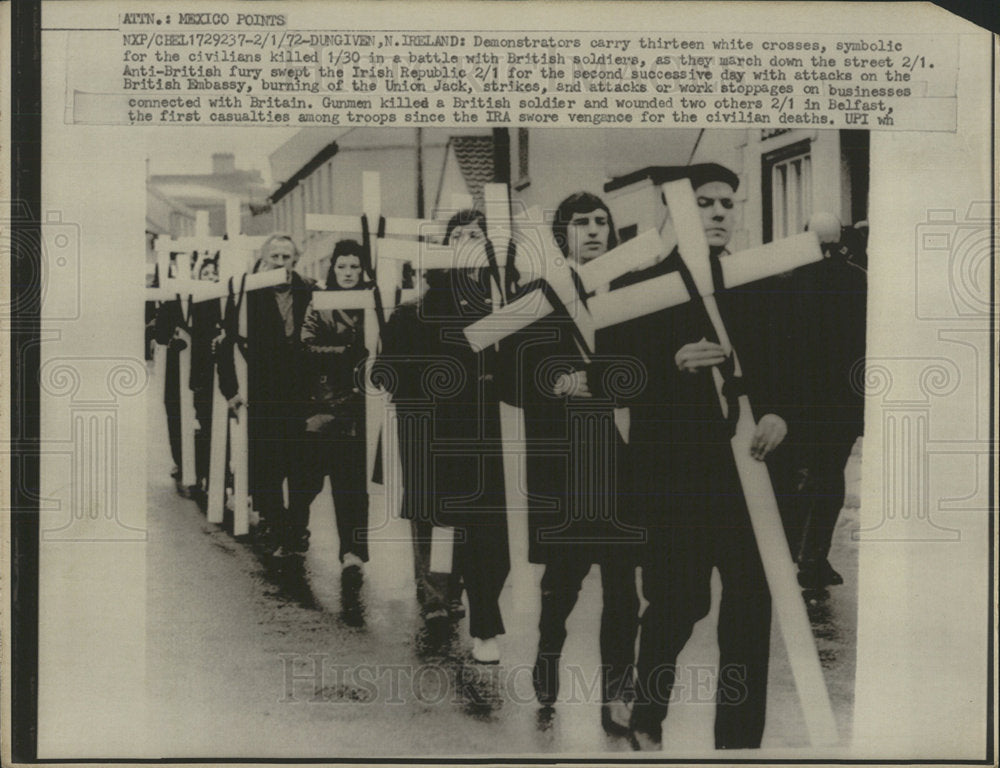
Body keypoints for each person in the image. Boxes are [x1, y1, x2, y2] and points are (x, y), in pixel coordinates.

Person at [610, 163, 787, 750]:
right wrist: (670, 365)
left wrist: (779, 416)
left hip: (748, 478)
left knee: (750, 610)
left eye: (726, 203)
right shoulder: (640, 288)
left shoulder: (754, 279)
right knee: (678, 602)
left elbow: (789, 370)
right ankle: (646, 712)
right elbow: (612, 377)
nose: (718, 212)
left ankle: (738, 745)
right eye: (705, 203)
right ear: (674, 212)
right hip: (675, 478)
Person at [510, 192, 642, 734]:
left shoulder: (638, 287)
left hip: (623, 455)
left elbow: (649, 359)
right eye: (580, 222)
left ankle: (617, 689)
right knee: (562, 581)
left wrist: (615, 381)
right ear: (561, 233)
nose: (593, 230)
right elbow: (512, 373)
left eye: (601, 221)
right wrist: (553, 381)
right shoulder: (539, 296)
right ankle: (548, 656)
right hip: (567, 460)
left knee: (622, 585)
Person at [383, 210, 508, 663]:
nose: (469, 241)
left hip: (486, 429)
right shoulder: (415, 309)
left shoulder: (503, 303)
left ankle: (468, 601)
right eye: (460, 235)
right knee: (435, 513)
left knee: (481, 522)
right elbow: (392, 373)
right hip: (434, 426)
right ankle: (438, 597)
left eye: (478, 235)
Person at [774, 218, 868, 589]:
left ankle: (791, 554)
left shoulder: (786, 280)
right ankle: (812, 558)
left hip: (800, 399)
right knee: (828, 476)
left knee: (800, 475)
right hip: (841, 402)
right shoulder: (859, 279)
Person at [217, 233, 315, 550]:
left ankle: (298, 523)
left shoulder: (309, 290)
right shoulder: (249, 293)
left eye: (286, 257)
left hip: (302, 391)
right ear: (264, 258)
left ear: (295, 260)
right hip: (263, 389)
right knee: (267, 461)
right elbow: (227, 342)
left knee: (304, 465)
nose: (280, 263)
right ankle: (275, 521)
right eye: (275, 256)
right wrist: (231, 391)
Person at [285, 240, 371, 574]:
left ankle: (353, 551)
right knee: (308, 479)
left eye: (354, 266)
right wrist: (347, 356)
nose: (348, 273)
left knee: (352, 484)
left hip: (361, 407)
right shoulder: (320, 303)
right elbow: (305, 347)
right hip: (325, 404)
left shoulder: (373, 300)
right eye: (342, 267)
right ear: (332, 269)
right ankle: (294, 531)